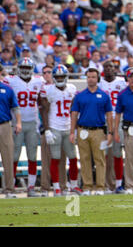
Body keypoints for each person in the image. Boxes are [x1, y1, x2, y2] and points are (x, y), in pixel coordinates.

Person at [39, 65, 82, 196]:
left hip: (68, 128)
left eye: (61, 77)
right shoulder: (47, 89)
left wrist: (74, 129)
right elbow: (44, 111)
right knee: (55, 158)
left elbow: (75, 110)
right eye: (57, 77)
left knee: (73, 158)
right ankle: (57, 187)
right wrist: (47, 130)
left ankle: (74, 185)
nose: (59, 79)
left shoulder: (72, 88)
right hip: (55, 127)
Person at [4, 58, 44, 197]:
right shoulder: (11, 80)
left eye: (28, 68)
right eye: (23, 68)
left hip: (32, 123)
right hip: (16, 124)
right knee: (13, 156)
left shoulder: (38, 81)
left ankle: (31, 187)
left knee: (32, 156)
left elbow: (42, 100)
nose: (26, 71)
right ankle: (12, 186)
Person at [70, 67, 114, 196]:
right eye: (88, 77)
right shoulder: (80, 96)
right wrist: (72, 132)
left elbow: (109, 115)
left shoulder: (104, 95)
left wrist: (110, 132)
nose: (91, 79)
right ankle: (87, 187)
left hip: (99, 131)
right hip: (83, 129)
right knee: (84, 159)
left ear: (97, 78)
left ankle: (100, 187)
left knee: (99, 159)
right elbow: (74, 114)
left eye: (93, 77)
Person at [98, 60, 128, 194]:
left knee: (117, 153)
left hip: (118, 121)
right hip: (103, 121)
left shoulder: (122, 82)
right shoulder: (99, 83)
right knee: (103, 154)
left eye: (111, 66)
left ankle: (118, 184)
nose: (109, 69)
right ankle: (105, 184)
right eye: (106, 67)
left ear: (115, 68)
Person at [38, 65, 68, 197]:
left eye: (49, 72)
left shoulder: (67, 88)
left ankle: (63, 186)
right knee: (47, 159)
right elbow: (42, 111)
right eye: (44, 72)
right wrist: (46, 129)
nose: (47, 74)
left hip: (63, 128)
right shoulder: (43, 89)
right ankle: (45, 187)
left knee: (62, 158)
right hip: (48, 128)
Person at [0, 63, 21, 198]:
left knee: (8, 157)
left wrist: (18, 122)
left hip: (4, 125)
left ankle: (9, 188)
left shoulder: (7, 89)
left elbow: (15, 107)